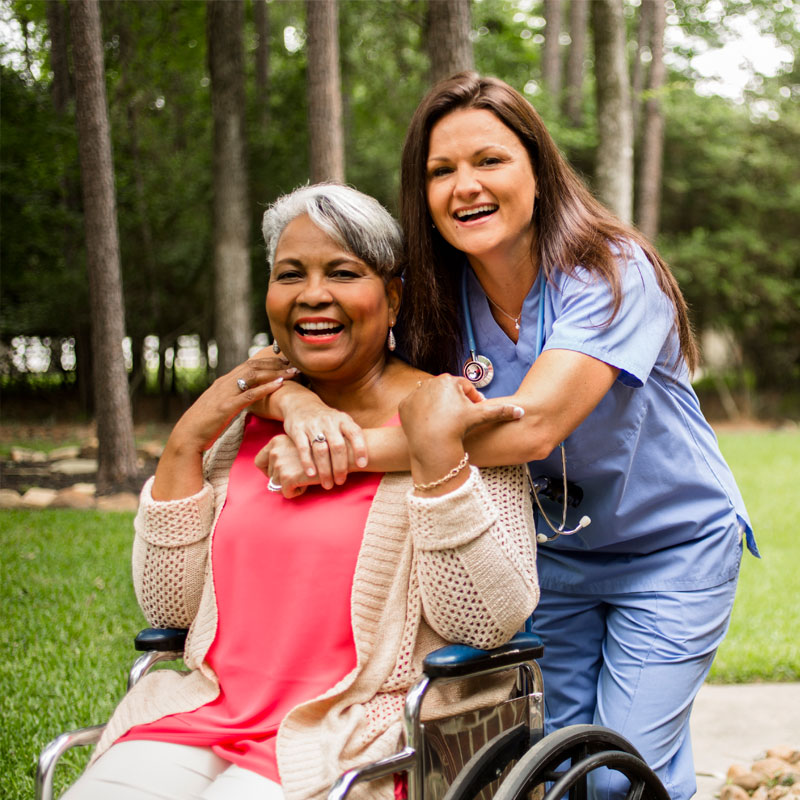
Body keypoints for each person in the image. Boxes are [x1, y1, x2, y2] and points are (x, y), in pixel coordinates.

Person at [264, 75, 758, 800]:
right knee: (551, 770)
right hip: (547, 559)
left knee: (620, 777)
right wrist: (297, 405)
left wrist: (351, 453)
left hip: (669, 552)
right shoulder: (436, 297)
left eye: (489, 160)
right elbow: (300, 347)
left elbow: (534, 426)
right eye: (442, 171)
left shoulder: (611, 272)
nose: (465, 186)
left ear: (537, 169)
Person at [61, 183, 539, 800]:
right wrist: (184, 445)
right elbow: (170, 611)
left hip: (356, 732)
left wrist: (439, 464)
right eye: (291, 274)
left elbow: (486, 621)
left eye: (343, 272)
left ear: (392, 297)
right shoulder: (240, 429)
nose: (313, 294)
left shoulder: (448, 416)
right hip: (204, 716)